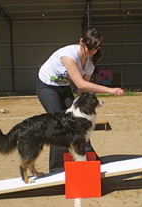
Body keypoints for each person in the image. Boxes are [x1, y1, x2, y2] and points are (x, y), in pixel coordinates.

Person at [37, 27, 124, 172]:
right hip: (47, 87)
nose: (92, 51)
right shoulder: (68, 55)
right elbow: (80, 83)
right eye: (89, 48)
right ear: (81, 41)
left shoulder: (91, 61)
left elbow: (82, 89)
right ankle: (58, 168)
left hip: (63, 87)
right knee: (58, 124)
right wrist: (109, 90)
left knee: (79, 121)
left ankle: (89, 159)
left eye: (95, 48)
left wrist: (82, 103)